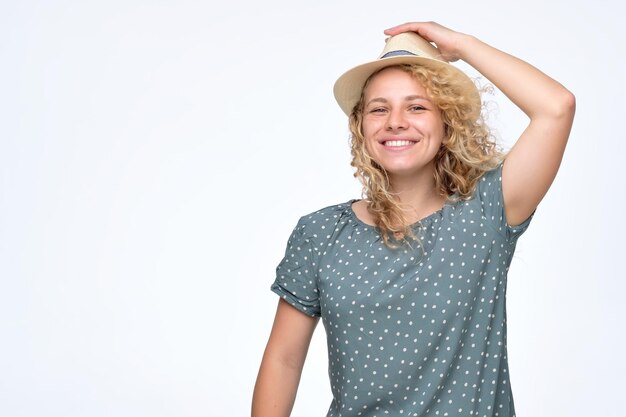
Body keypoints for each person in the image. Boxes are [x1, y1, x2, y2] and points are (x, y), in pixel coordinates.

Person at [251, 21, 575, 417]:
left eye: (417, 106)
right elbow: (283, 360)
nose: (396, 121)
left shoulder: (488, 211)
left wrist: (463, 45)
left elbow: (556, 107)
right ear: (361, 126)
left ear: (446, 122)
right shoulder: (320, 233)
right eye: (379, 109)